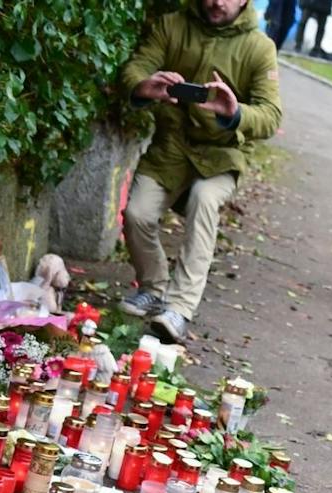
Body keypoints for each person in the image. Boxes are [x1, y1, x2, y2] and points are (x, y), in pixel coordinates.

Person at [117, 0, 284, 342]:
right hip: (171, 148)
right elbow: (137, 67)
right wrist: (144, 85)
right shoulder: (171, 25)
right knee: (137, 214)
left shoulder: (259, 47)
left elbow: (270, 116)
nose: (216, 2)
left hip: (224, 153)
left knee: (204, 199)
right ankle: (153, 288)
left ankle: (179, 308)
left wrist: (235, 113)